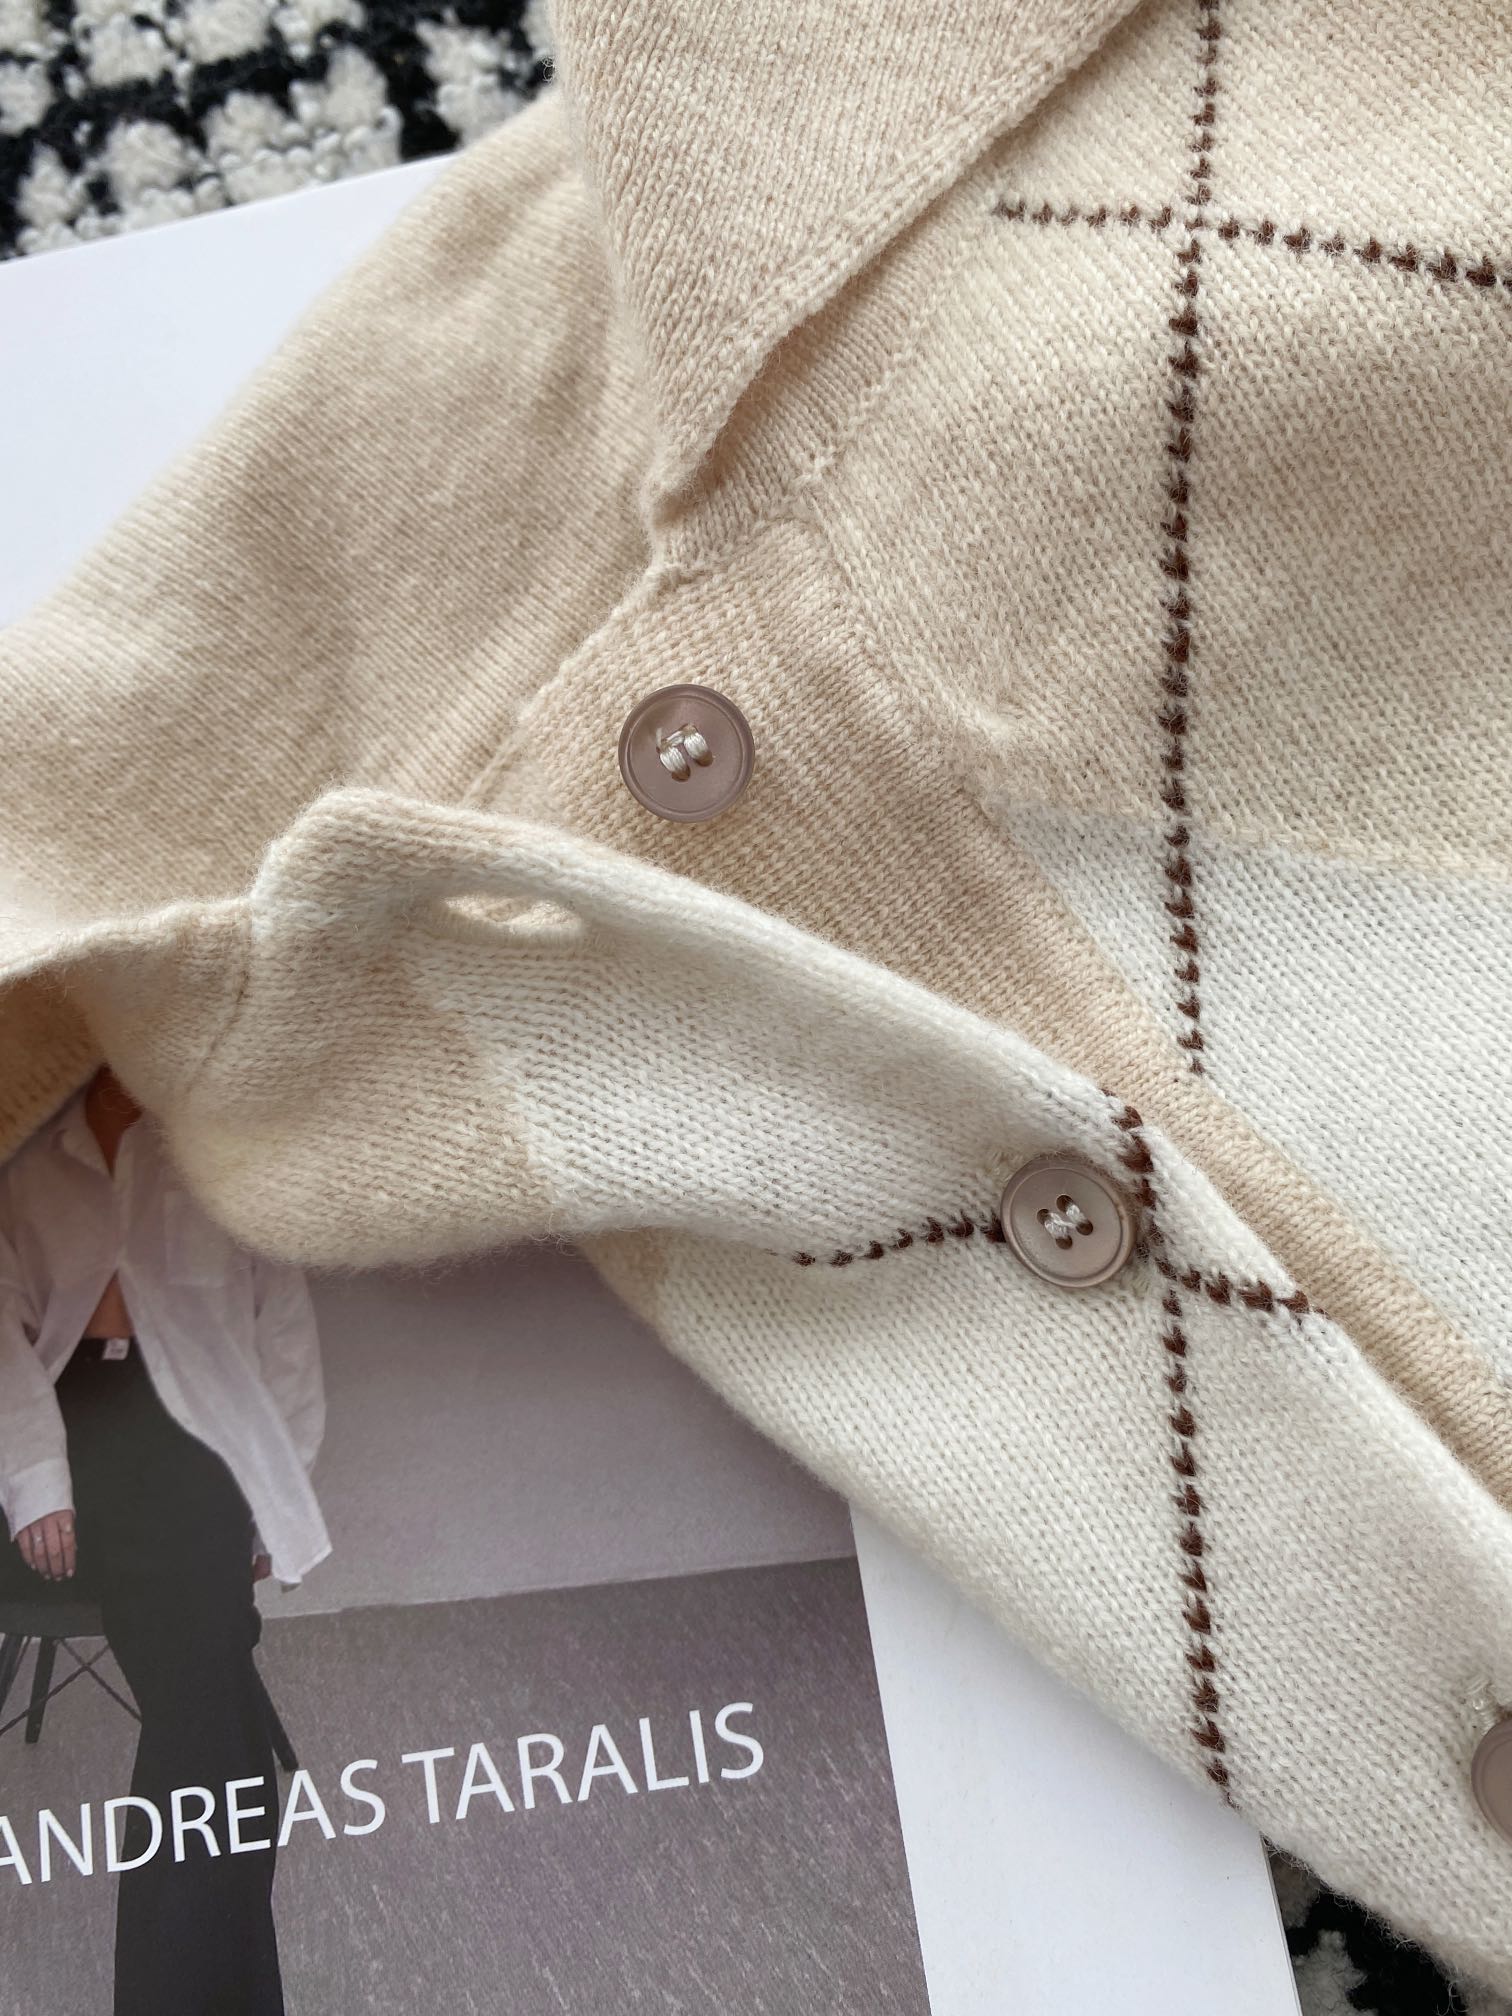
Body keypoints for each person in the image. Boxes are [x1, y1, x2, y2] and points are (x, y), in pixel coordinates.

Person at [0, 1066, 328, 2016]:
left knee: (214, 1738)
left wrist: (273, 1498)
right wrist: (36, 1480)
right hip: (58, 1425)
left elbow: (283, 1332)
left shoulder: (223, 1150)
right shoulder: (26, 1150)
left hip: (192, 1437)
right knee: (221, 1741)